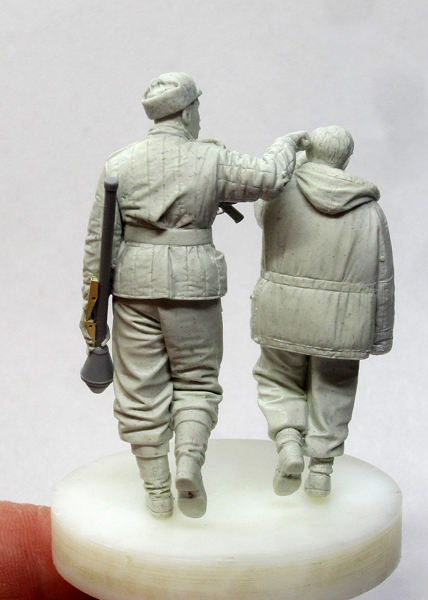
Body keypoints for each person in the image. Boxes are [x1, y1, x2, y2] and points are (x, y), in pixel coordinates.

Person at [80, 72, 309, 519]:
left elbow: (98, 246)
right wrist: (287, 143)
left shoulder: (118, 164)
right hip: (193, 285)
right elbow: (271, 178)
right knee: (197, 382)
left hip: (134, 289)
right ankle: (188, 463)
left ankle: (157, 492)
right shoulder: (212, 160)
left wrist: (90, 320)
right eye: (197, 108)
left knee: (140, 392)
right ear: (186, 112)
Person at [251, 126, 394, 497]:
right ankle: (321, 471)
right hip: (344, 322)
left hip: (283, 310)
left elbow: (260, 207)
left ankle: (288, 443)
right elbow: (382, 276)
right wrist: (379, 336)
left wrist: (294, 160)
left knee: (278, 379)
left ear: (310, 153)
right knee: (334, 389)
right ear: (346, 159)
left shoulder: (281, 194)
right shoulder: (370, 210)